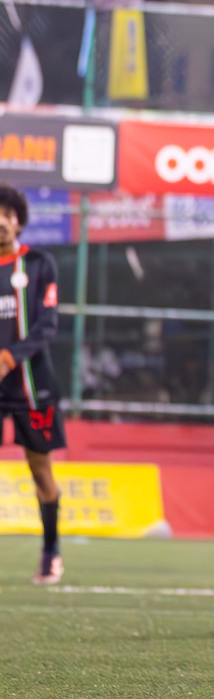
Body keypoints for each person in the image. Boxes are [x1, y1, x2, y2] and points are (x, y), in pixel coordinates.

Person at [0, 185, 67, 584]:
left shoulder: (40, 264)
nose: (0, 221)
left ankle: (51, 551)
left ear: (18, 221)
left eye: (7, 214)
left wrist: (8, 358)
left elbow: (47, 325)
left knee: (40, 469)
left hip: (31, 386)